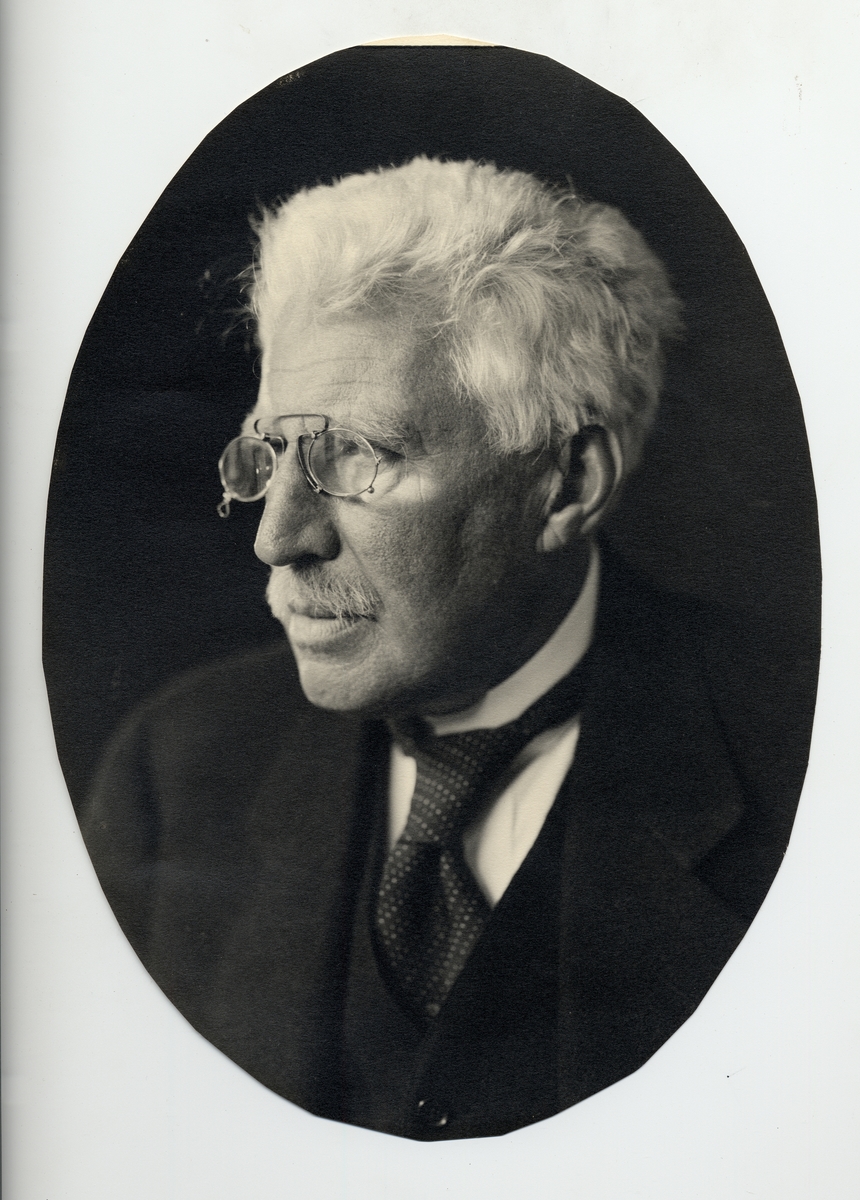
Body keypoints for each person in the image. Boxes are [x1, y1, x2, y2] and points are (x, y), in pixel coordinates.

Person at [83, 157, 771, 1140]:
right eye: (269, 455)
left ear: (567, 485)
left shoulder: (809, 767)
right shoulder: (174, 771)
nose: (277, 538)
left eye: (355, 455)